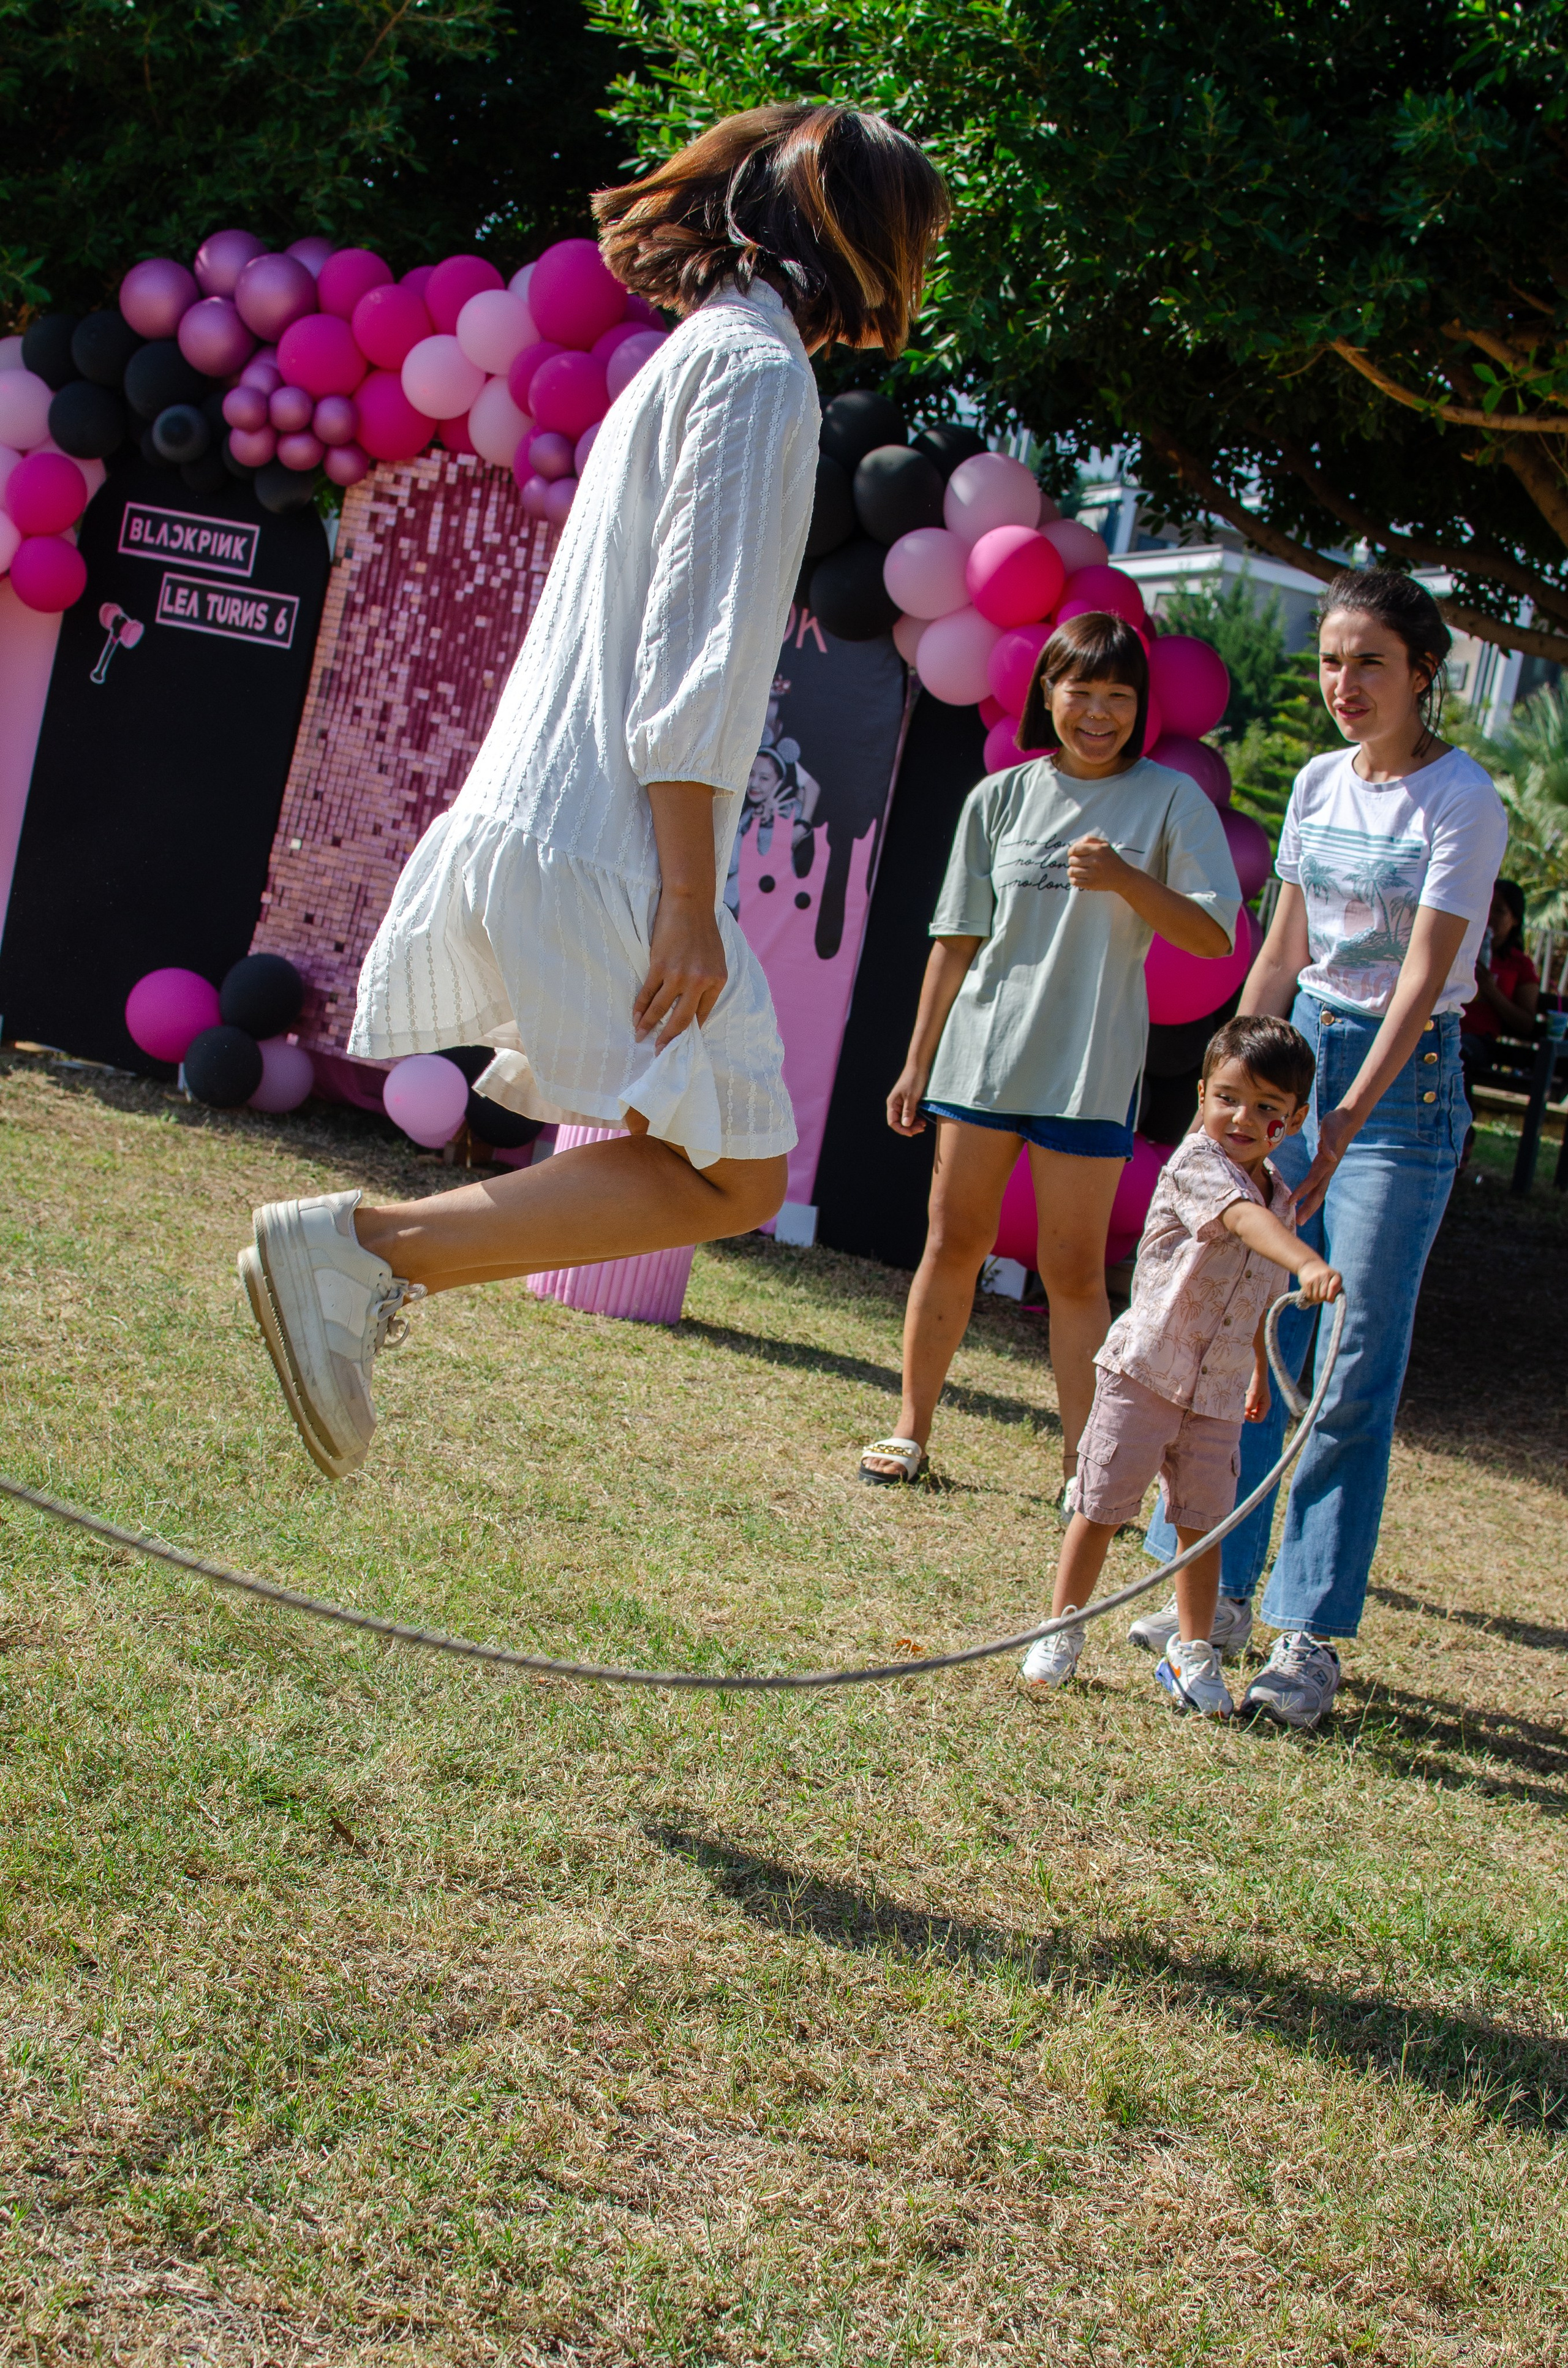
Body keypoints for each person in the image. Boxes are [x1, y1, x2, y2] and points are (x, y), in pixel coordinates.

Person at [236, 103, 949, 1477]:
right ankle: (361, 1250)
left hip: (570, 814)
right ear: (865, 235)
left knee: (716, 1161)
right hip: (613, 836)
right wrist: (688, 897)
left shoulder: (706, 350)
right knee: (731, 1168)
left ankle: (361, 1259)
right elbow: (695, 649)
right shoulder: (757, 373)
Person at [1138, 569, 1507, 1727]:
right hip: (1296, 1059)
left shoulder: (1463, 800)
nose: (1345, 683)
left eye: (1371, 663)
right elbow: (1281, 948)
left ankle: (1309, 1632)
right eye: (1332, 660)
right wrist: (1232, 1095)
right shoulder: (1315, 780)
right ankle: (1211, 1591)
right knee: (1243, 1324)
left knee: (1350, 1358)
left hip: (1403, 1083)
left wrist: (1346, 1122)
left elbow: (1421, 977)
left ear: (1424, 674)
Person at [860, 613, 1242, 1497]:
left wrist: (1127, 879)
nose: (1098, 713)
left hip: (1088, 1073)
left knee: (1072, 1270)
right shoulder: (997, 798)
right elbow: (955, 940)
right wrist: (918, 1062)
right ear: (1047, 695)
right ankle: (910, 1430)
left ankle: (1085, 1465)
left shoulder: (1171, 800)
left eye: (1118, 696)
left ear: (1141, 707)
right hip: (981, 1061)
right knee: (951, 1242)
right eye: (1081, 691)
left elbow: (1215, 934)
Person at [1021, 1016, 1341, 1711]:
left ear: (1294, 1120)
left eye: (1266, 1107)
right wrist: (1308, 1260)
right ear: (1201, 1094)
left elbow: (1254, 1292)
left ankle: (1192, 1652)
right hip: (1147, 1374)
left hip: (1216, 1393)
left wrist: (1256, 1367)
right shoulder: (1199, 1164)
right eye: (1227, 1097)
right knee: (1101, 1506)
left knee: (1203, 1522)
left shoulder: (1280, 1199)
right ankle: (1062, 1626)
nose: (1242, 1118)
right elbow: (1242, 1223)